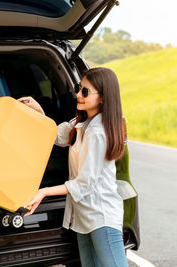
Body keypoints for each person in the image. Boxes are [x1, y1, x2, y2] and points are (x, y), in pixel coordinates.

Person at [18, 67, 128, 267]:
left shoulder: (98, 132)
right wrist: (39, 112)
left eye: (85, 92)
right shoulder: (82, 124)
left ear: (102, 97)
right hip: (84, 217)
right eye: (79, 89)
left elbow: (84, 183)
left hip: (101, 217)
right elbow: (57, 135)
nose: (78, 95)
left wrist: (43, 192)